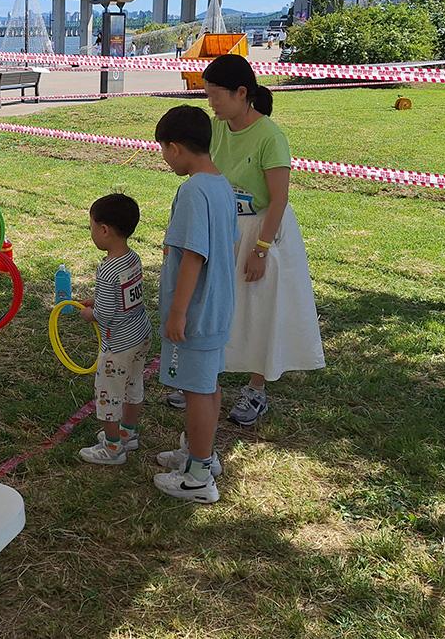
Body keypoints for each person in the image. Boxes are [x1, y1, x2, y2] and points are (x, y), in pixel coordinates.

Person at [164, 54, 324, 425]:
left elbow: (279, 198)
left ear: (241, 93)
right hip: (226, 225)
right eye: (208, 94)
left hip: (262, 231)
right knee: (219, 305)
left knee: (260, 310)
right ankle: (205, 379)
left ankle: (256, 389)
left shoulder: (270, 137)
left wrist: (261, 249)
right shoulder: (218, 129)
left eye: (216, 95)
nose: (211, 103)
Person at [150, 105, 237, 502]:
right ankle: (200, 453)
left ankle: (199, 477)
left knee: (199, 390)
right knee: (207, 384)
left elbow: (193, 255)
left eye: (164, 150)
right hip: (217, 304)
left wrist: (179, 310)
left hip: (197, 311)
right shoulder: (221, 184)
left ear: (176, 147)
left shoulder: (192, 190)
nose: (165, 159)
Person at [76, 194, 151, 465]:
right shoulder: (133, 259)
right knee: (134, 385)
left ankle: (112, 448)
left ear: (104, 230)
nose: (92, 232)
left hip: (118, 345)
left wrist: (90, 313)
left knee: (108, 396)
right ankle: (128, 433)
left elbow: (106, 315)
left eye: (92, 226)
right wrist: (98, 300)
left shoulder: (107, 270)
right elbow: (125, 296)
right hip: (140, 334)